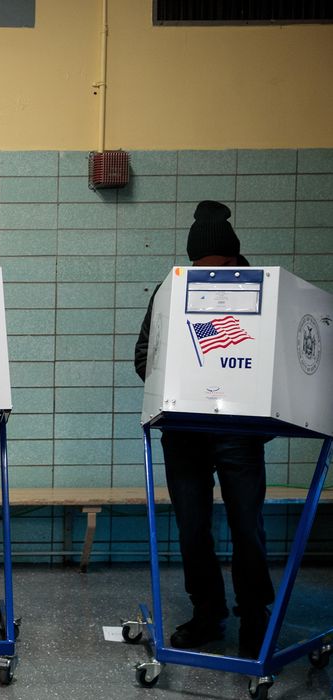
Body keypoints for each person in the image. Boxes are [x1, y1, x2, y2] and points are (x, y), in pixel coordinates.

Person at [134, 200, 273, 659]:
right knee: (192, 528)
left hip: (239, 432)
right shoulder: (170, 291)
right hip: (186, 431)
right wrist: (175, 388)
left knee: (246, 526)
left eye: (217, 265)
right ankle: (208, 613)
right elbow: (143, 357)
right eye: (199, 266)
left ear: (235, 258)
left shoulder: (262, 293)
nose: (207, 273)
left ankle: (255, 615)